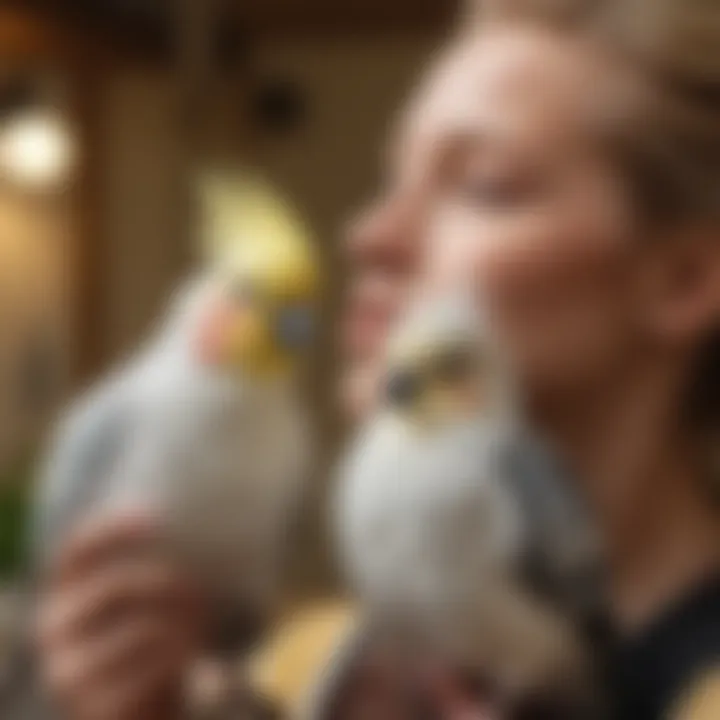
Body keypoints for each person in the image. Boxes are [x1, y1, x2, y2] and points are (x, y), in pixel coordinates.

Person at [36, 0, 719, 717]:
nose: (370, 237)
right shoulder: (302, 672)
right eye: (392, 182)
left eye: (481, 186)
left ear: (683, 278)